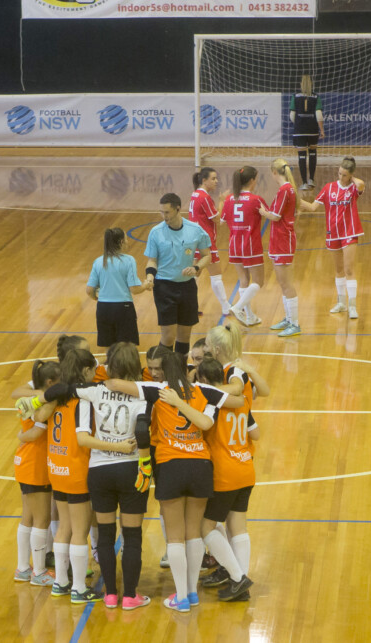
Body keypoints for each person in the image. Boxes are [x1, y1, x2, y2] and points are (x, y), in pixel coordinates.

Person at [103, 351, 252, 611]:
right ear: (188, 368)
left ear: (163, 371)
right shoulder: (204, 390)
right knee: (193, 534)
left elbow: (114, 384)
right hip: (200, 465)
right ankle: (192, 594)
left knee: (175, 538)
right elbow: (238, 402)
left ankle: (181, 598)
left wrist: (102, 370)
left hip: (171, 465)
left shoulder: (157, 389)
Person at [49, 343, 152, 610]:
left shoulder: (92, 391)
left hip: (99, 472)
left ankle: (109, 594)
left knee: (105, 535)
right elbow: (143, 433)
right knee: (132, 536)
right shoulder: (142, 394)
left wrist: (37, 399)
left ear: (109, 366)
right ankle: (130, 596)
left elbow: (80, 430)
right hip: (130, 469)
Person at [36, 349, 103, 604]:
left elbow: (38, 416)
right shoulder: (83, 400)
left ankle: (61, 582)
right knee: (79, 530)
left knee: (64, 527)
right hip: (76, 469)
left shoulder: (56, 399)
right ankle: (77, 588)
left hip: (57, 467)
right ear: (85, 371)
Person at [194, 357, 260, 601]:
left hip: (224, 472)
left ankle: (237, 577)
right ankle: (240, 584)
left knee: (205, 527)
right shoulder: (241, 401)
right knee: (238, 528)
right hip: (245, 467)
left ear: (202, 380)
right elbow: (256, 433)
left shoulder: (211, 401)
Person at [143, 193, 212, 357]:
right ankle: (163, 373)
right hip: (164, 287)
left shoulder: (195, 230)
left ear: (178, 209)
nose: (163, 216)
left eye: (167, 212)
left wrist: (196, 268)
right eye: (161, 212)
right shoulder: (156, 232)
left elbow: (207, 255)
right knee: (168, 336)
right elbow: (152, 261)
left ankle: (179, 372)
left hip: (187, 287)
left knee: (184, 336)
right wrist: (150, 276)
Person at [298, 156, 366, 319]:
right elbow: (313, 207)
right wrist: (295, 200)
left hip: (350, 232)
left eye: (344, 174)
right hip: (332, 233)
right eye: (339, 173)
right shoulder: (329, 188)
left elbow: (361, 184)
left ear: (350, 175)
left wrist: (351, 177)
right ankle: (341, 302)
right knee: (338, 269)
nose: (340, 177)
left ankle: (352, 306)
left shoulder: (354, 188)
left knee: (349, 269)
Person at [13, 360, 61, 587]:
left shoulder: (30, 399)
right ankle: (39, 571)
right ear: (51, 383)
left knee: (28, 517)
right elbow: (35, 431)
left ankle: (23, 568)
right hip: (36, 465)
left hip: (25, 462)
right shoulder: (43, 403)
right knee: (41, 520)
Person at [221, 166, 269, 327]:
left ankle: (249, 317)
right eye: (256, 179)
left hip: (234, 245)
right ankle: (238, 307)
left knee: (243, 280)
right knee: (258, 282)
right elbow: (271, 216)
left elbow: (221, 221)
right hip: (250, 245)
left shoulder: (229, 199)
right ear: (251, 181)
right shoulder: (256, 200)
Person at [258, 159, 301, 337]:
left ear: (274, 172)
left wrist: (261, 211)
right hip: (279, 239)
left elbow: (275, 216)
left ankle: (295, 323)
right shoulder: (287, 189)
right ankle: (288, 319)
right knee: (282, 283)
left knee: (286, 283)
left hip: (283, 240)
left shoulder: (285, 190)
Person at [86, 228, 146, 348]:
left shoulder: (98, 261)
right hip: (123, 309)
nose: (128, 242)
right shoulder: (129, 260)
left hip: (103, 308)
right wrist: (146, 285)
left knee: (110, 350)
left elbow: (89, 290)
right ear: (121, 242)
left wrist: (98, 299)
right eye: (126, 239)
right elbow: (134, 288)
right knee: (126, 350)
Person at [189, 168, 232, 316]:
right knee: (216, 275)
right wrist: (222, 201)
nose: (216, 181)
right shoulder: (204, 197)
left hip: (194, 239)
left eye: (216, 178)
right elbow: (218, 219)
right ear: (204, 180)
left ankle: (189, 307)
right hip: (204, 241)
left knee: (194, 274)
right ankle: (226, 307)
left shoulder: (195, 195)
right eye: (213, 179)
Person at [290, 74, 325, 190]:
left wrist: (298, 124)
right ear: (311, 84)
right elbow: (318, 114)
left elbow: (292, 115)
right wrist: (322, 130)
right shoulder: (316, 96)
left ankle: (304, 182)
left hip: (299, 130)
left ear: (301, 84)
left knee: (301, 156)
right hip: (312, 129)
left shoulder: (295, 96)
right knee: (313, 153)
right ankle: (312, 180)